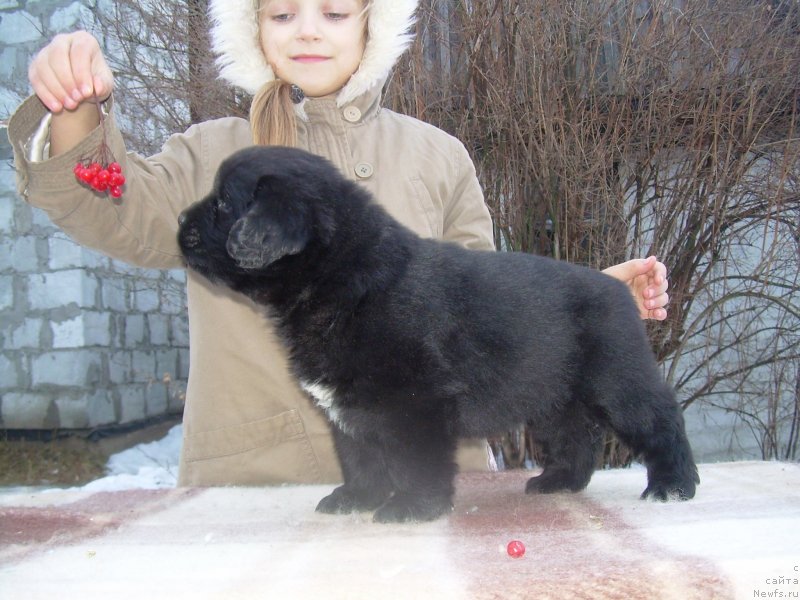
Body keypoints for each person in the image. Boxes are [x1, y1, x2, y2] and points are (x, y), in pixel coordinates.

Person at [9, 0, 669, 486]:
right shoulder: (212, 156)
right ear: (253, 30)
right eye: (282, 14)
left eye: (333, 11)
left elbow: (482, 314)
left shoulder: (437, 158)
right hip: (257, 496)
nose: (309, 32)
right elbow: (108, 211)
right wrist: (75, 111)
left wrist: (583, 305)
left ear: (370, 24)